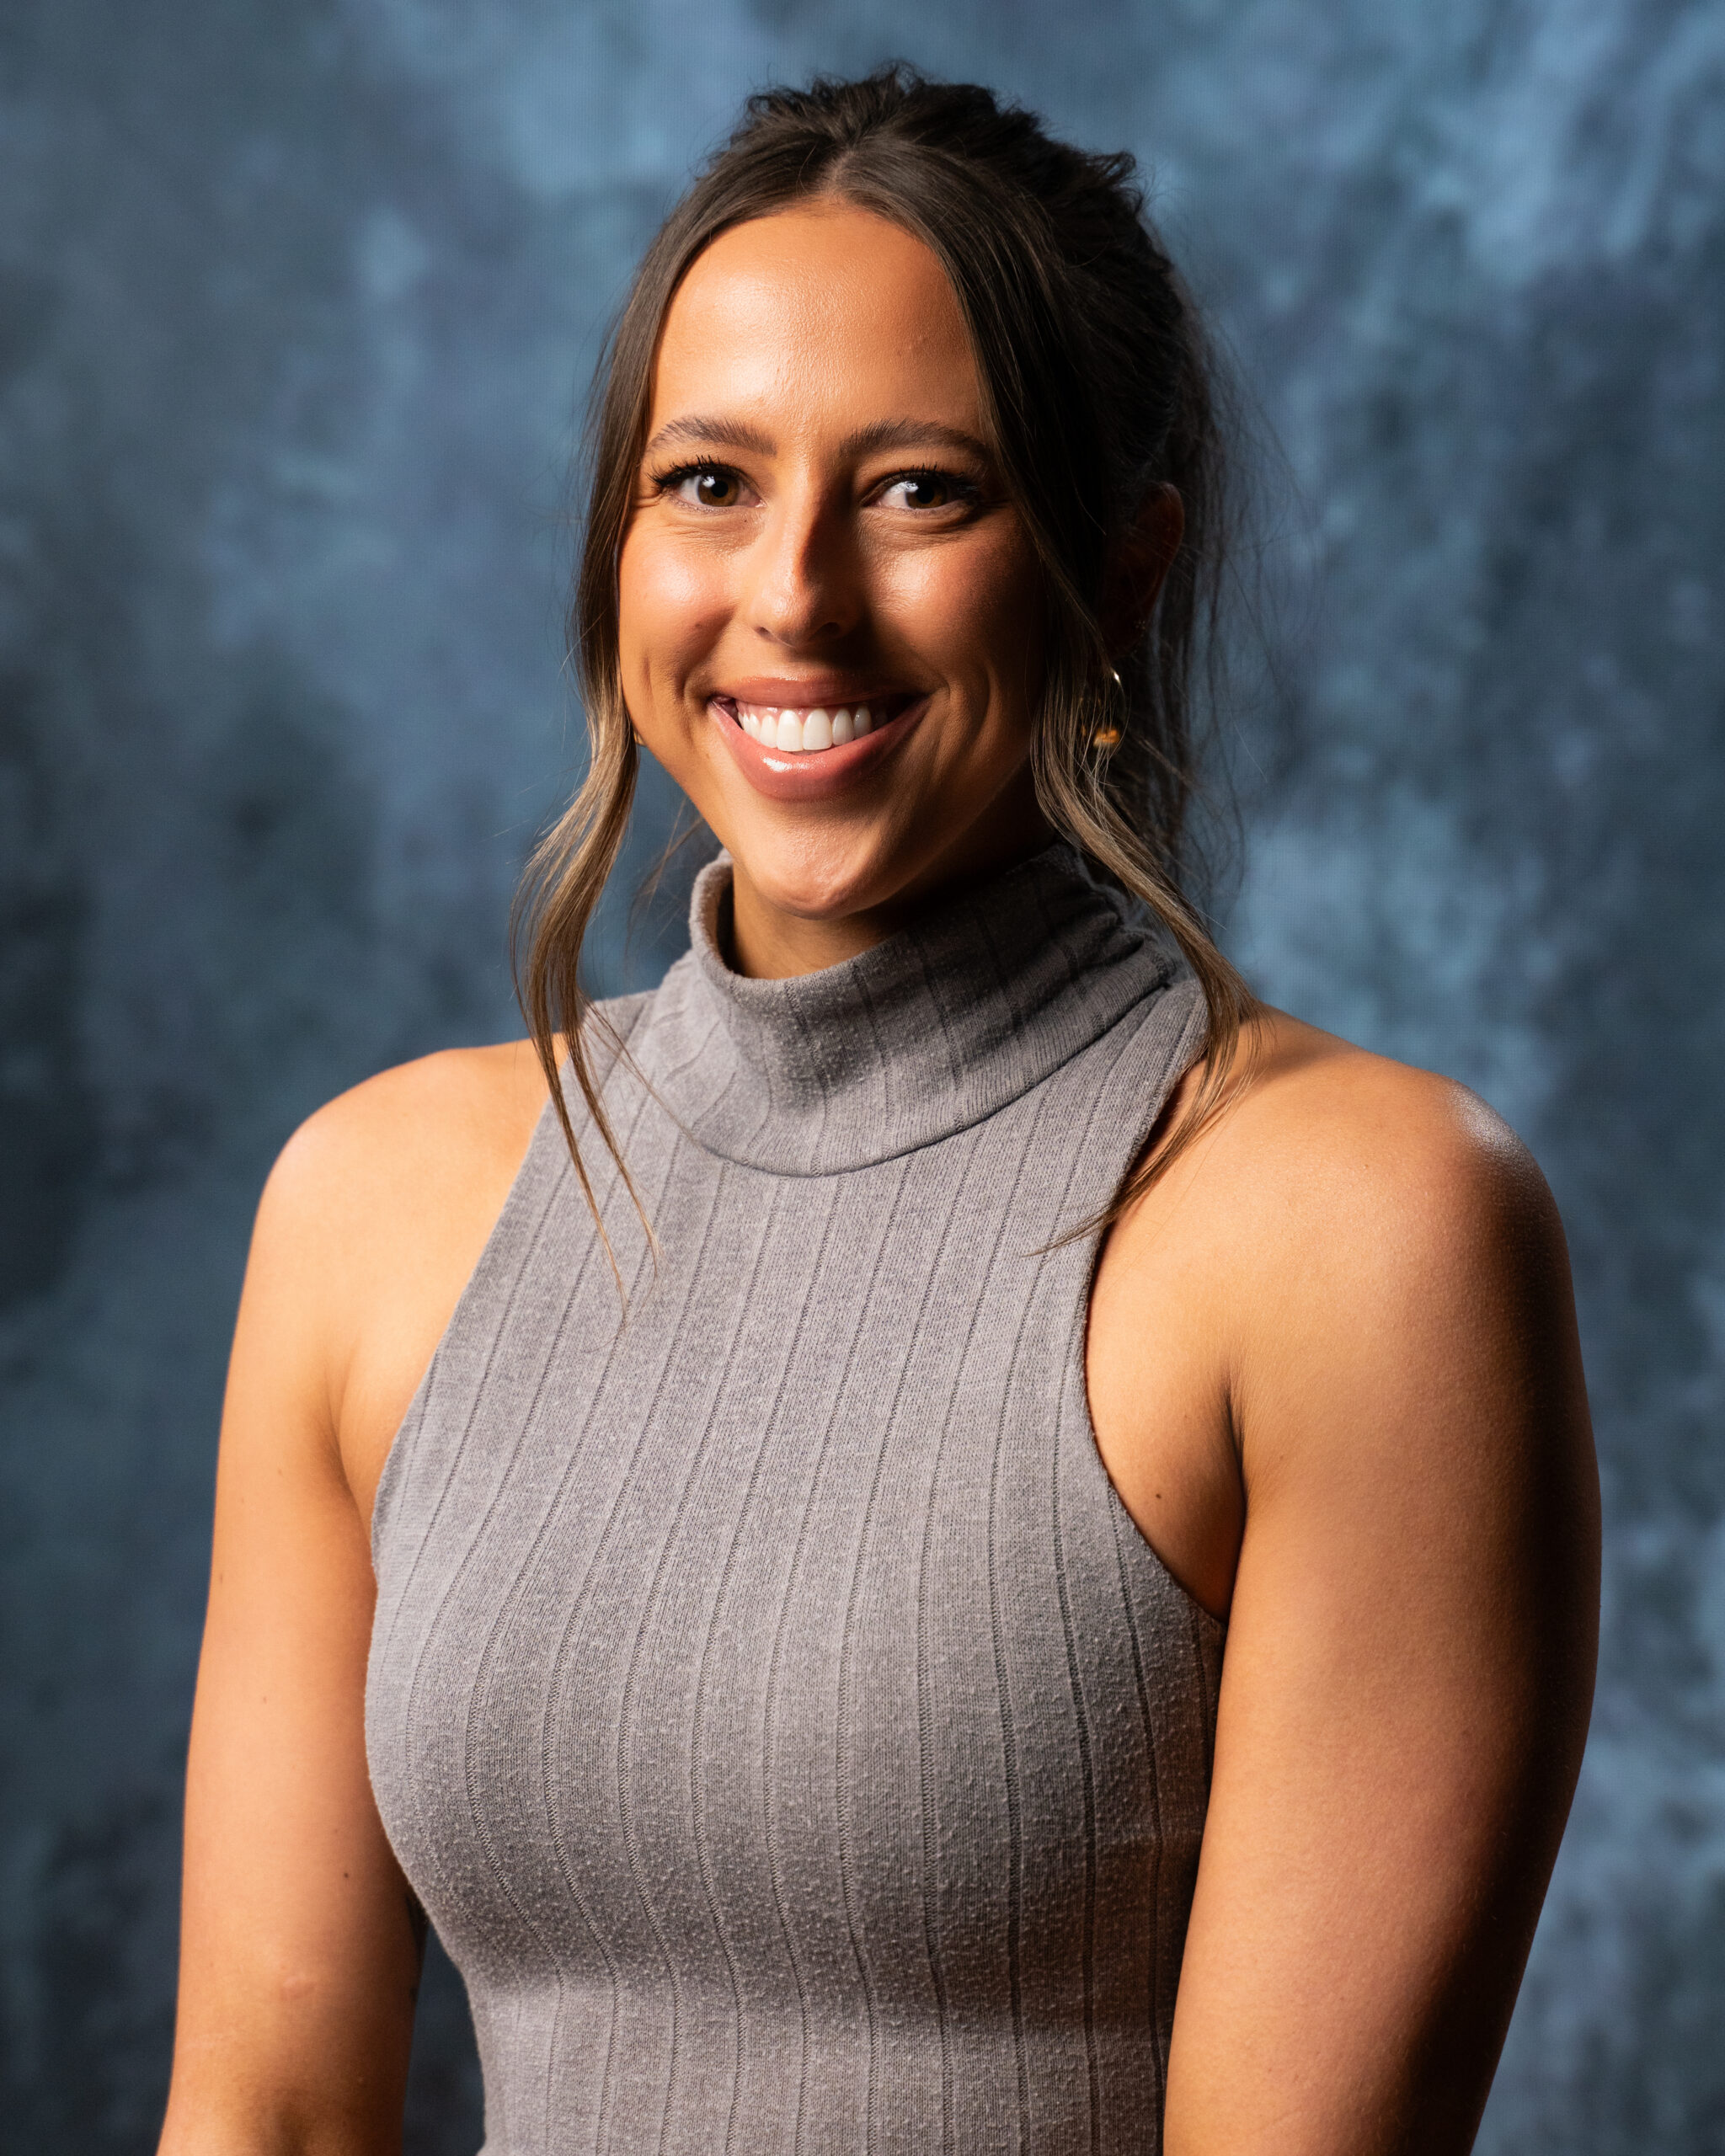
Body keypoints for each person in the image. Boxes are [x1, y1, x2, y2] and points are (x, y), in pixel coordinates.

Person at [158, 68, 1599, 2156]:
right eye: (709, 482)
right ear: (620, 544)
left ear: (1120, 567)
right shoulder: (373, 1203)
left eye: (920, 489)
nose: (794, 598)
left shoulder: (1353, 1228)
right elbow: (267, 2114)